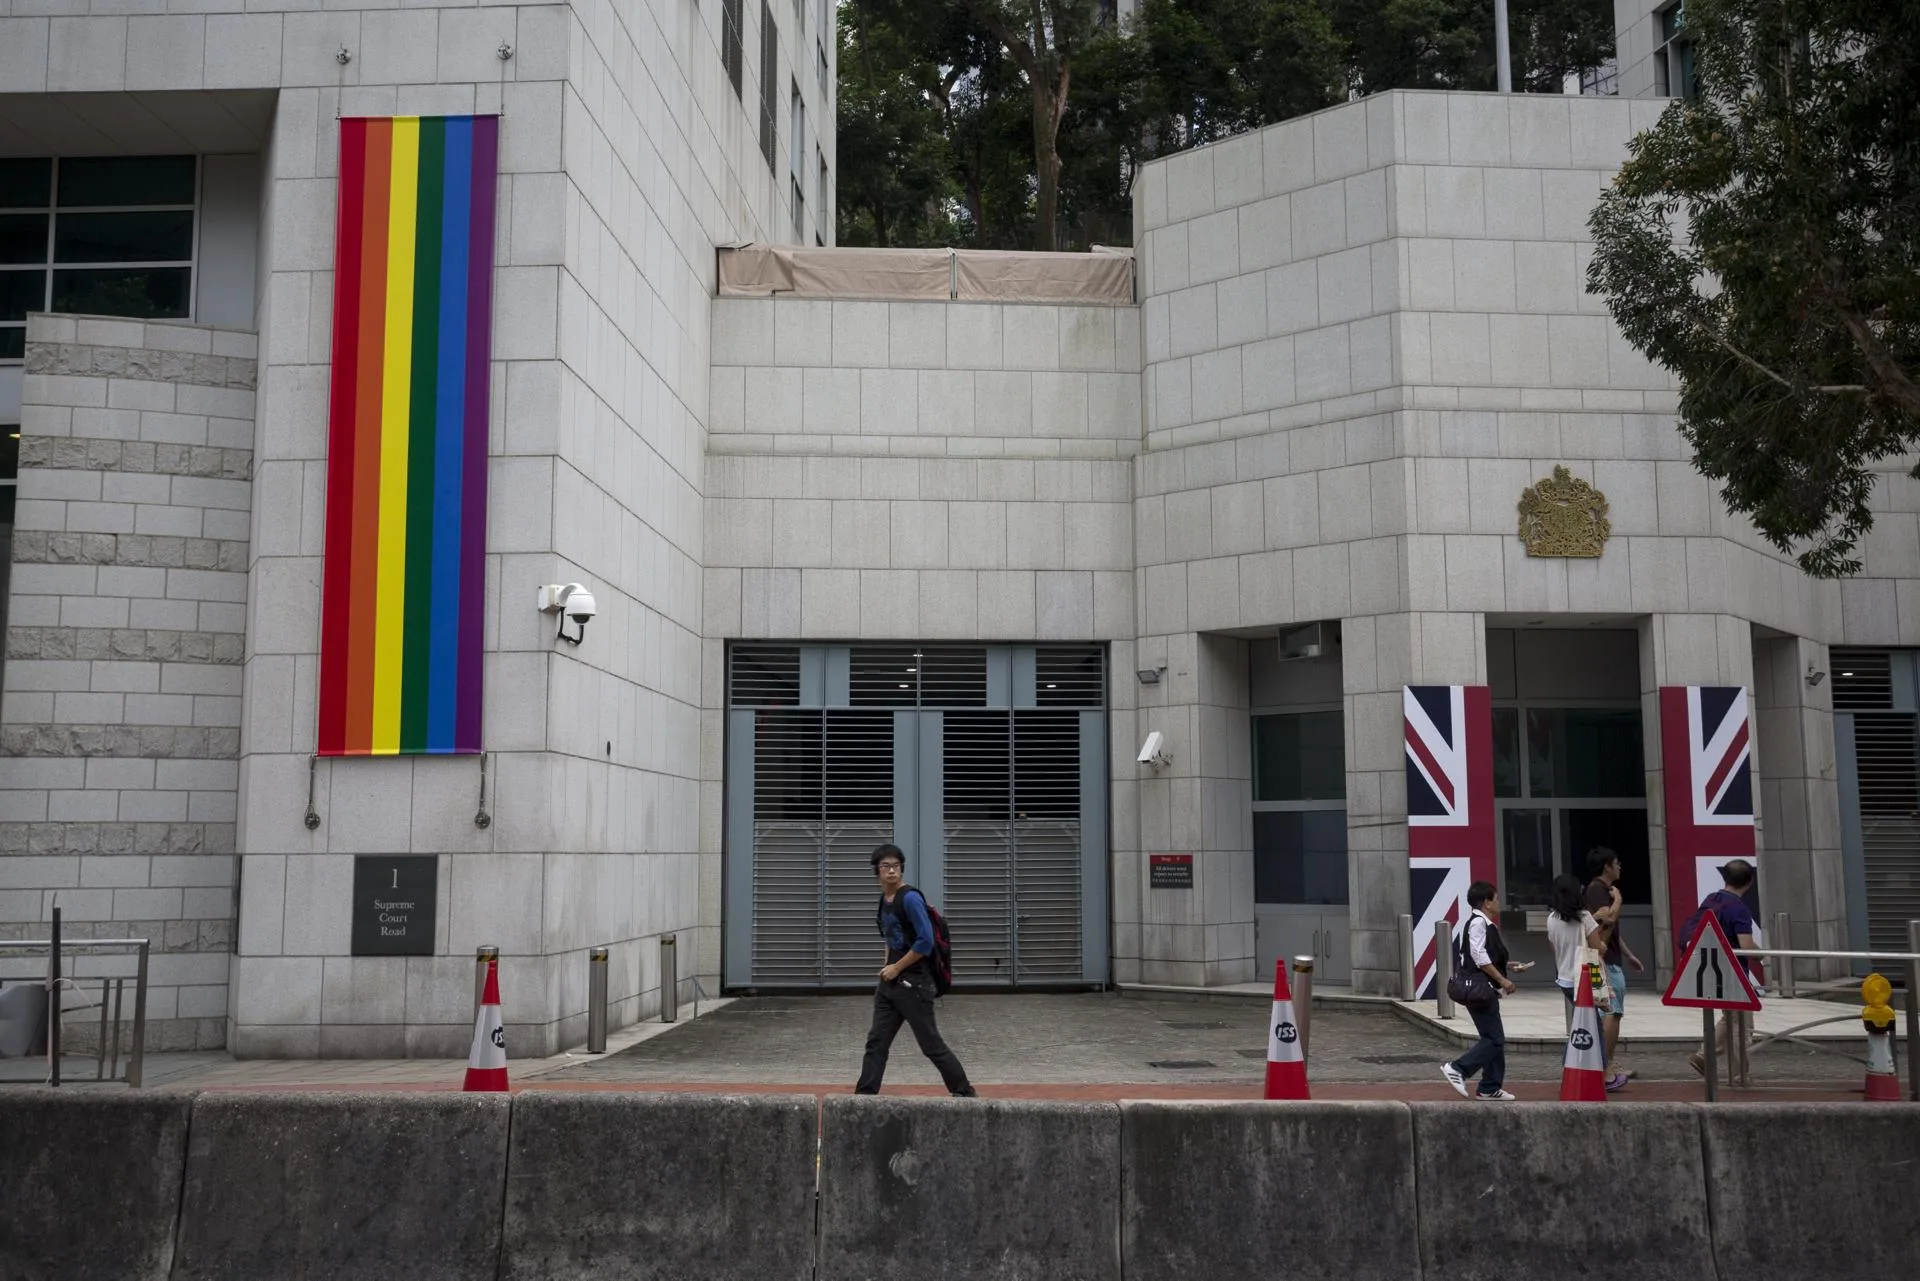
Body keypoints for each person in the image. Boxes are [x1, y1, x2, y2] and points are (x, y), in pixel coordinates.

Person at [854, 843, 977, 1097]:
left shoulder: (909, 898)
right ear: (876, 871)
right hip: (890, 985)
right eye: (885, 866)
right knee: (876, 1043)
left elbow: (925, 942)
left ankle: (965, 1093)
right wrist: (886, 968)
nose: (891, 871)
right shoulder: (884, 900)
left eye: (896, 866)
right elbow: (889, 937)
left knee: (930, 1044)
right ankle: (863, 1099)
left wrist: (896, 968)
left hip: (915, 985)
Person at [1687, 858, 1763, 1085]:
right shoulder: (1739, 909)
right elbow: (1746, 946)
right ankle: (1740, 1076)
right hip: (1733, 974)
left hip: (1710, 969)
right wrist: (1763, 955)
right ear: (1749, 882)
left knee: (1730, 1018)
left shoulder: (1712, 900)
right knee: (1743, 1026)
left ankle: (1703, 1056)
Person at [1441, 881, 1517, 1101]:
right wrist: (1503, 980)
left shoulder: (1483, 923)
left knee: (1493, 1039)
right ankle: (1458, 1069)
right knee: (1494, 1039)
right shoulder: (1478, 923)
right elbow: (1478, 956)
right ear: (1486, 902)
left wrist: (1509, 966)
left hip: (1483, 988)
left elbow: (1483, 955)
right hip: (1481, 990)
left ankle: (1489, 1087)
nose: (1498, 903)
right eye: (1496, 898)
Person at [1583, 847, 1644, 1091]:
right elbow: (1605, 922)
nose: (1620, 867)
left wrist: (1628, 955)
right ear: (1607, 866)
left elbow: (1612, 930)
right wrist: (1618, 901)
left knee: (1606, 1011)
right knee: (1611, 1011)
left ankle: (1607, 1064)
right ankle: (1605, 1068)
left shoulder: (1597, 889)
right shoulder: (1599, 890)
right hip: (1602, 961)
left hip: (1605, 958)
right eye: (1617, 863)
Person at [1546, 872, 1609, 1017]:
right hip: (1584, 980)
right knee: (1591, 1028)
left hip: (1564, 979)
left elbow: (1554, 947)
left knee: (1583, 1023)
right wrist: (1603, 944)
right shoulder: (1584, 917)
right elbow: (1597, 950)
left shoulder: (1551, 918)